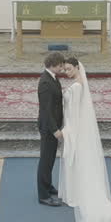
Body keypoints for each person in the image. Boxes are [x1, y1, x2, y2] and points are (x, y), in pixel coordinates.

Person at [57, 57, 111, 222]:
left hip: (76, 129)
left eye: (69, 69)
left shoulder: (76, 87)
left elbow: (74, 113)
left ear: (77, 68)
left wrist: (67, 132)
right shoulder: (80, 83)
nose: (67, 73)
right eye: (65, 70)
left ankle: (78, 192)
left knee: (79, 162)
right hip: (82, 129)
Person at [36, 51, 67, 206]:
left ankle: (48, 186)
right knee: (45, 161)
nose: (62, 68)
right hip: (49, 128)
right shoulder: (45, 83)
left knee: (50, 159)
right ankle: (43, 195)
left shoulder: (53, 78)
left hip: (53, 125)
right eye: (60, 65)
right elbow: (45, 110)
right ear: (53, 65)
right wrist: (55, 130)